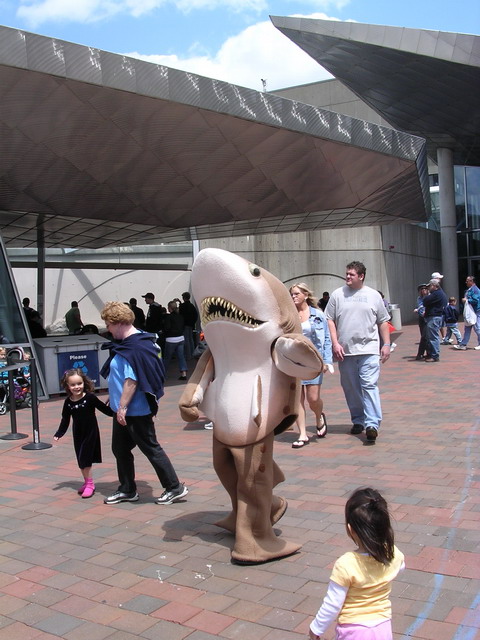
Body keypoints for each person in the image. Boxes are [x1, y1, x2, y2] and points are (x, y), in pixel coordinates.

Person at [100, 301, 188, 505]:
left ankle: (175, 487)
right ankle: (127, 489)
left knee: (150, 447)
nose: (108, 329)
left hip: (135, 410)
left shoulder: (136, 347)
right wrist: (114, 397)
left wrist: (122, 406)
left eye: (109, 324)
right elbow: (123, 377)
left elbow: (132, 380)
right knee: (120, 449)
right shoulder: (133, 342)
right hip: (124, 408)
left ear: (119, 323)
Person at [309, 487, 405, 640]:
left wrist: (316, 628)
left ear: (350, 529)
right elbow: (400, 567)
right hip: (382, 627)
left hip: (354, 630)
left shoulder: (346, 564)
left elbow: (333, 604)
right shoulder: (393, 554)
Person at [325, 261, 391, 443]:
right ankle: (358, 420)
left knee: (369, 385)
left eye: (351, 274)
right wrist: (335, 343)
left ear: (361, 276)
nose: (347, 277)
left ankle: (372, 424)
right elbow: (329, 319)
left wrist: (386, 344)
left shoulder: (373, 295)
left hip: (369, 349)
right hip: (345, 352)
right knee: (351, 388)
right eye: (347, 274)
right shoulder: (338, 295)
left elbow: (383, 321)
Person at [53, 369, 113, 498]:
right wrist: (60, 432)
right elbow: (65, 419)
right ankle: (86, 482)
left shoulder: (90, 397)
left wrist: (116, 411)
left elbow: (105, 409)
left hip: (90, 432)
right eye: (73, 385)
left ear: (84, 383)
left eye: (79, 383)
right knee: (80, 458)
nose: (77, 387)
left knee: (85, 458)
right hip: (78, 432)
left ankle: (90, 484)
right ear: (68, 386)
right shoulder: (68, 402)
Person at [289, 283, 333, 449]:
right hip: (294, 361)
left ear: (305, 295)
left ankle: (318, 415)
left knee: (313, 399)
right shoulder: (289, 315)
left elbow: (326, 339)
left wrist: (326, 361)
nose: (293, 297)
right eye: (291, 294)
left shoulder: (318, 315)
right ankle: (302, 434)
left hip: (314, 360)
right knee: (297, 399)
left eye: (296, 294)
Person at [422, 279, 447, 362]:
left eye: (430, 286)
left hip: (434, 317)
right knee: (432, 336)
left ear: (435, 286)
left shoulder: (436, 294)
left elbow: (425, 301)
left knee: (433, 337)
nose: (429, 288)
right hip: (435, 317)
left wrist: (426, 295)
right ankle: (432, 354)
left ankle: (435, 355)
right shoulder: (439, 293)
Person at [162, 300, 188, 380]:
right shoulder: (181, 316)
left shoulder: (168, 317)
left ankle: (163, 374)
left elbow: (167, 328)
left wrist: (164, 331)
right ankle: (184, 373)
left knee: (167, 358)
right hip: (180, 338)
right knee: (181, 356)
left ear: (170, 308)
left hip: (171, 339)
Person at [454, 275, 480, 351]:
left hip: (475, 311)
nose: (466, 282)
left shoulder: (475, 290)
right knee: (467, 328)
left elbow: (476, 301)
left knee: (477, 328)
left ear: (472, 281)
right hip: (471, 311)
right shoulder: (470, 290)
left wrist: (467, 300)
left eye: (467, 281)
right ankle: (463, 344)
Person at [179, 291, 198, 360]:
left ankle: (188, 355)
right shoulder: (191, 306)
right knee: (191, 339)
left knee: (186, 340)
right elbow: (196, 315)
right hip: (191, 324)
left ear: (184, 298)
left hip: (185, 325)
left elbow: (180, 314)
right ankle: (193, 354)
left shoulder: (182, 306)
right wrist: (193, 322)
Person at [413, 284, 429, 360]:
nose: (423, 290)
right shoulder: (419, 298)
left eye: (425, 289)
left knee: (425, 336)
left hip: (428, 318)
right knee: (424, 335)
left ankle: (420, 354)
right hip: (421, 318)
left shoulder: (429, 297)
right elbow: (419, 306)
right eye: (422, 289)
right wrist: (417, 310)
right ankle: (428, 353)